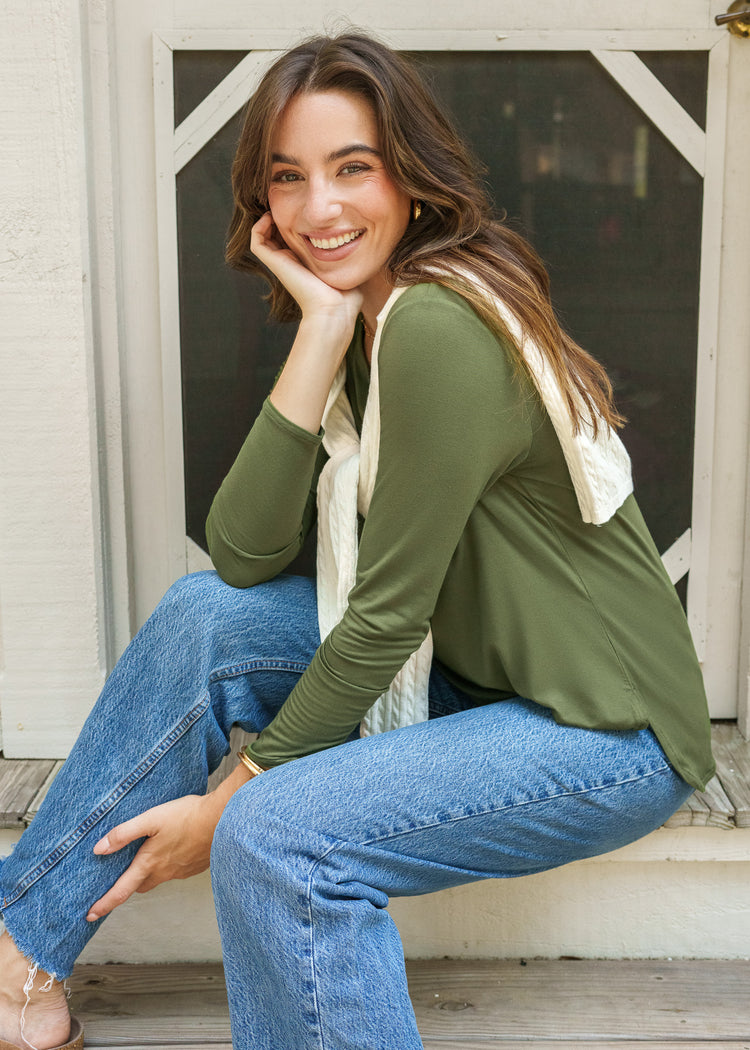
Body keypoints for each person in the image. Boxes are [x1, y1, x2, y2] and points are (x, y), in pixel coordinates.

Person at [0, 31, 714, 1050]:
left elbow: (384, 619)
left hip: (608, 731)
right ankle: (18, 965)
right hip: (476, 675)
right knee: (206, 616)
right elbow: (242, 555)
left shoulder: (439, 327)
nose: (319, 208)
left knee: (276, 832)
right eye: (287, 177)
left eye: (352, 168)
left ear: (411, 179)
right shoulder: (368, 325)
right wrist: (321, 330)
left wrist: (227, 801)